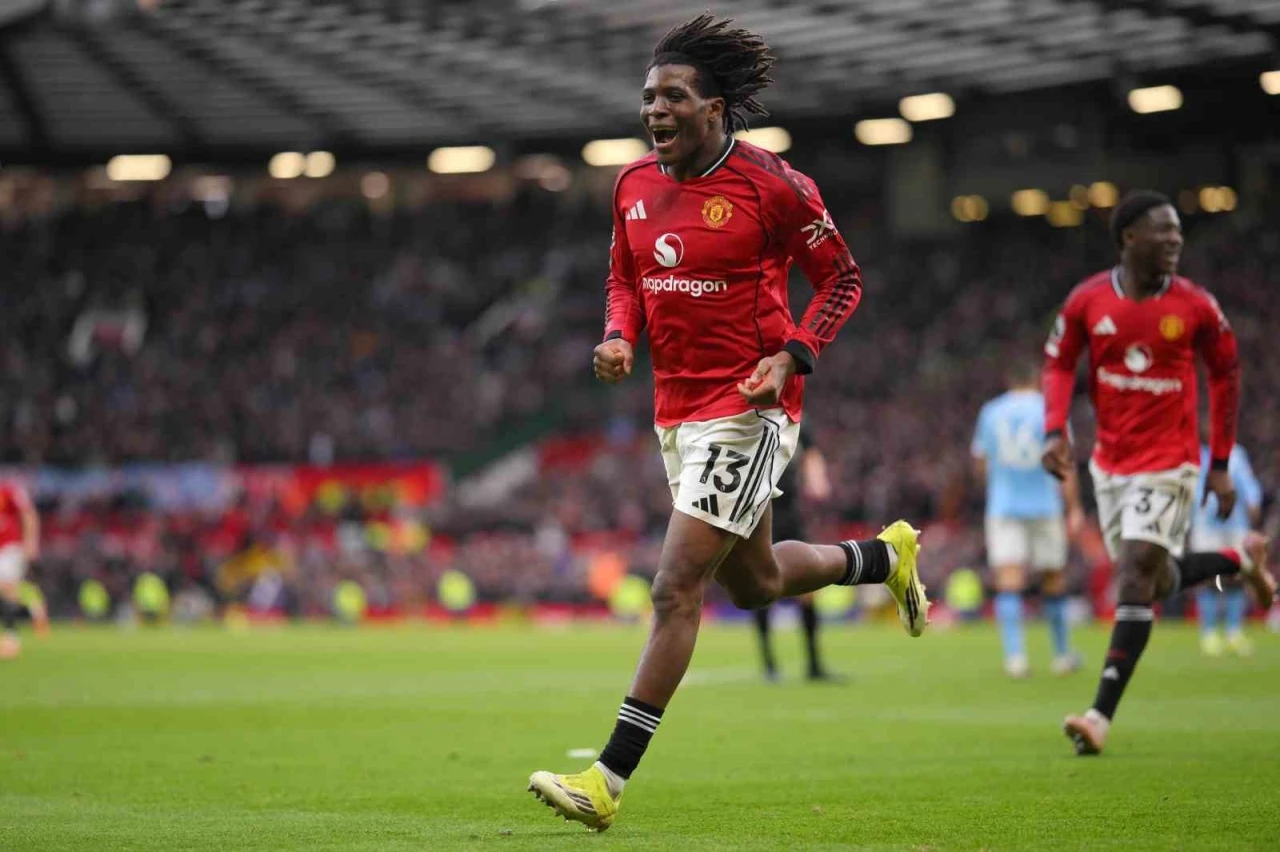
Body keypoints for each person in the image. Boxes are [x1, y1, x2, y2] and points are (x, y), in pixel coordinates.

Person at [527, 14, 929, 831]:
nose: (655, 109)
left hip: (750, 408)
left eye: (674, 96)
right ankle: (885, 556)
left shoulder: (774, 185)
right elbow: (624, 278)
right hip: (675, 411)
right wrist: (618, 335)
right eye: (649, 96)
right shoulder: (631, 185)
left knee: (675, 588)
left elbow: (842, 281)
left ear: (714, 108)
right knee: (757, 584)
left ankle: (606, 780)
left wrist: (792, 356)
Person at [1041, 190, 1276, 756]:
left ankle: (1098, 716)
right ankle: (1239, 561)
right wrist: (1053, 429)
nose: (1175, 239)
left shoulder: (1196, 306)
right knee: (1155, 579)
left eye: (1178, 231)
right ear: (1128, 238)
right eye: (1162, 230)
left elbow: (1226, 375)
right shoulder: (1088, 300)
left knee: (1135, 573)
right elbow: (1059, 362)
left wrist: (1221, 463)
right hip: (1110, 463)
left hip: (1172, 461)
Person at [972, 361, 1085, 679]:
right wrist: (1074, 508)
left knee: (1009, 578)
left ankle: (1016, 658)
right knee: (1053, 577)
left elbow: (980, 463)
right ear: (1036, 380)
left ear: (1010, 380)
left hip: (1004, 506)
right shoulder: (1050, 409)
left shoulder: (991, 411)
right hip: (1045, 504)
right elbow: (1064, 463)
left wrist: (997, 486)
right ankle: (1061, 656)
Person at [752, 423, 842, 682]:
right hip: (760, 514)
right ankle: (769, 665)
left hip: (791, 517)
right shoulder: (755, 420)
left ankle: (814, 665)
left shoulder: (798, 424)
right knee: (761, 589)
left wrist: (817, 479)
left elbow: (811, 456)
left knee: (807, 590)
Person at [1190, 432, 1263, 657]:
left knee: (1237, 576)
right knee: (1207, 578)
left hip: (1235, 523)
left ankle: (1234, 631)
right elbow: (1191, 489)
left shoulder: (1237, 454)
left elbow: (1248, 483)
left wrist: (1253, 502)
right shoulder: (1196, 455)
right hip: (1205, 525)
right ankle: (1209, 633)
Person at [0, 477, 43, 659]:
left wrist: (31, 542)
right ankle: (34, 610)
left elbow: (29, 515)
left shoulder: (8, 491)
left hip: (9, 548)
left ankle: (11, 638)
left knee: (6, 588)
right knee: (10, 593)